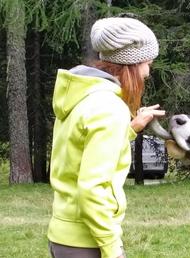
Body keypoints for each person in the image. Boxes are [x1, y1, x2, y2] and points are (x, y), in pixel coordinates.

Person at [47, 17, 164, 258]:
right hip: (86, 243)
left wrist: (131, 129)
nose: (148, 73)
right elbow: (91, 188)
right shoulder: (109, 107)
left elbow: (81, 154)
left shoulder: (84, 95)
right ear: (131, 63)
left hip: (64, 236)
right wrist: (113, 250)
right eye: (147, 64)